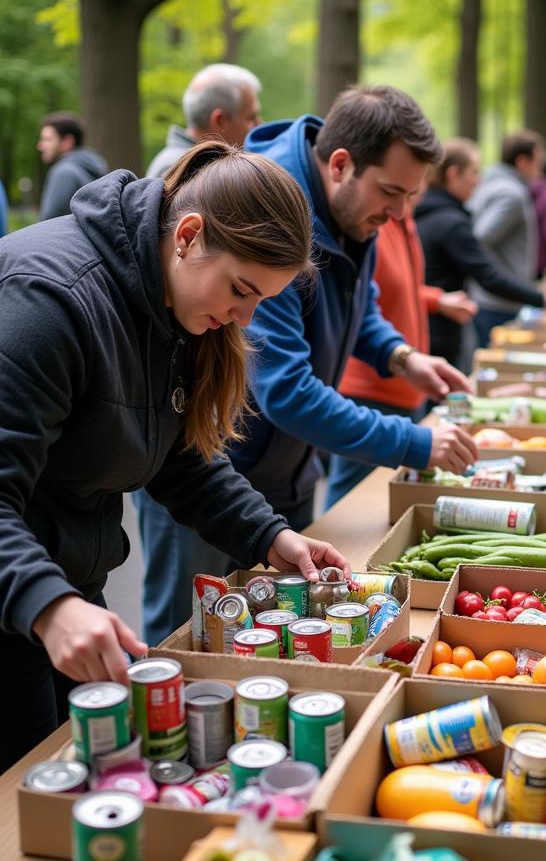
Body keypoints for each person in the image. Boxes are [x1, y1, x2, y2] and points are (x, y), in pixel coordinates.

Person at [0, 141, 349, 771]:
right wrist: (47, 606)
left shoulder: (172, 302)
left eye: (260, 302)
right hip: (21, 602)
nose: (244, 316)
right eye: (240, 290)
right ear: (188, 235)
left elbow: (177, 455)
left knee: (99, 773)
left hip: (63, 593)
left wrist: (270, 536)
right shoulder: (45, 301)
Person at [134, 86, 477, 646]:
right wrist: (415, 442)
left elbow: (358, 307)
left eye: (409, 196)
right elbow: (287, 389)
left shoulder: (352, 212)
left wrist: (401, 356)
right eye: (391, 192)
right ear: (341, 164)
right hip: (209, 468)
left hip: (281, 470)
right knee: (185, 638)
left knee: (278, 635)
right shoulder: (273, 215)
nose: (397, 215)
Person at [325, 211, 478, 506]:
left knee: (382, 506)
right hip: (369, 391)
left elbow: (388, 293)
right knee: (351, 505)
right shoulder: (367, 220)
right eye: (394, 190)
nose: (401, 202)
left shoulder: (399, 217)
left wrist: (405, 357)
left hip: (404, 388)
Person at [416, 138, 546, 369]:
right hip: (440, 330)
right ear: (453, 174)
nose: (477, 181)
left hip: (433, 323)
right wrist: (545, 299)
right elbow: (487, 275)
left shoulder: (431, 213)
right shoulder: (451, 222)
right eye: (473, 172)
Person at [466, 129, 544, 345]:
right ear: (522, 161)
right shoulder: (511, 193)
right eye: (537, 161)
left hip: (489, 296)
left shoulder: (489, 185)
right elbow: (481, 237)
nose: (539, 169)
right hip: (500, 300)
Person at [146, 63, 263, 178]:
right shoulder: (186, 171)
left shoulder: (185, 164)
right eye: (251, 118)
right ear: (219, 121)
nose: (259, 125)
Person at [36, 112, 108, 221]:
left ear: (67, 142)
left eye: (47, 139)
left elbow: (45, 224)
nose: (40, 146)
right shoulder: (90, 170)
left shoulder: (64, 173)